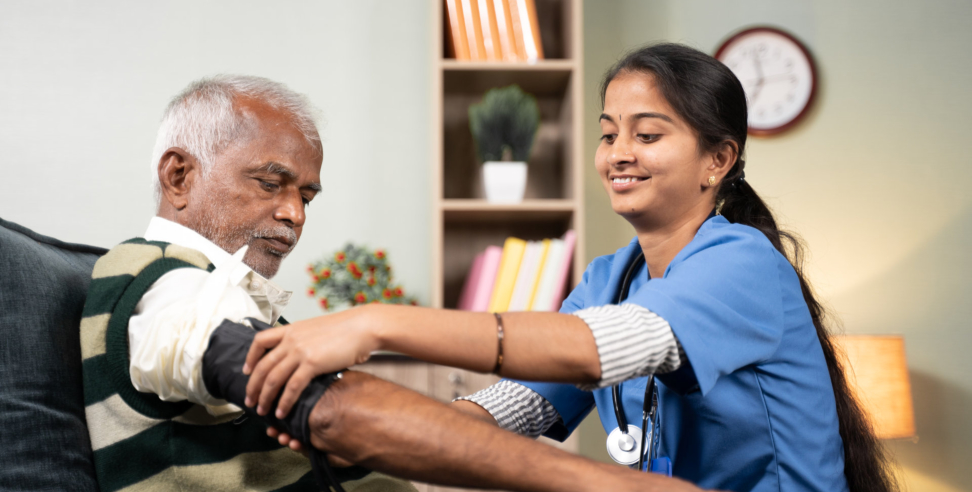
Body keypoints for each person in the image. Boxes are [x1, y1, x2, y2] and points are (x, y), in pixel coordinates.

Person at [242, 44, 900, 492]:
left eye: (648, 134)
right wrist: (360, 429)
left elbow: (595, 351)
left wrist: (376, 323)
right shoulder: (612, 278)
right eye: (609, 132)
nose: (619, 153)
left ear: (717, 159)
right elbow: (505, 414)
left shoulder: (743, 265)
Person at [79, 74, 703, 492]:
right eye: (271, 183)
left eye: (306, 195)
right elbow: (333, 414)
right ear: (179, 175)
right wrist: (614, 485)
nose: (295, 214)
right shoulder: (167, 287)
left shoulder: (217, 291)